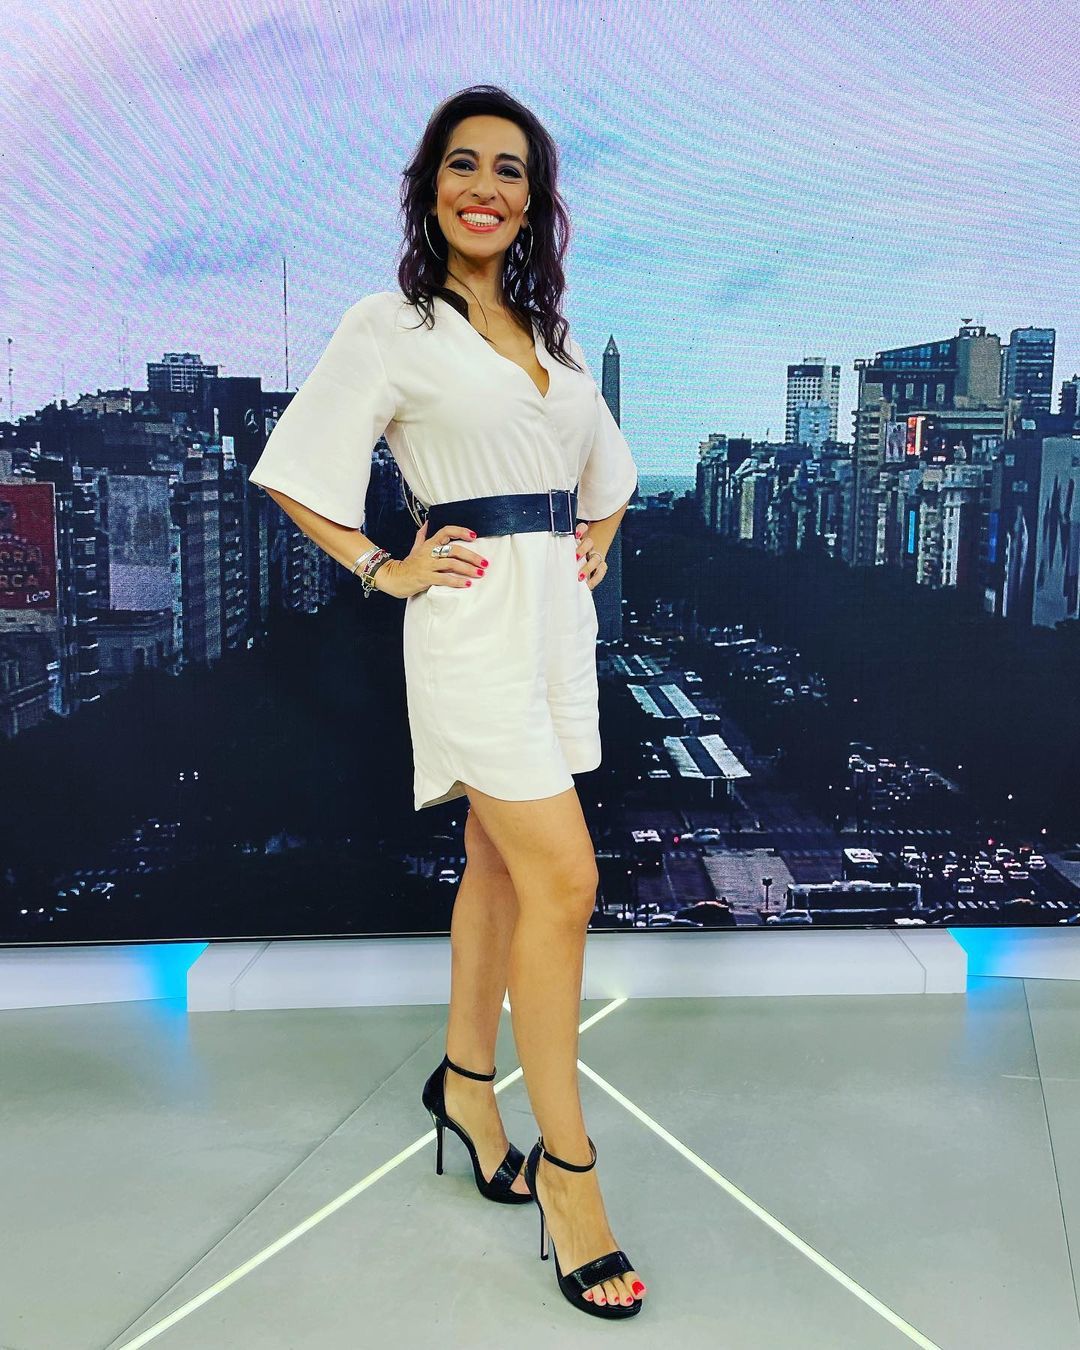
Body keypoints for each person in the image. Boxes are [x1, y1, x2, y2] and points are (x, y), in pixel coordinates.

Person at [247, 85, 645, 1319]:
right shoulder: (390, 325)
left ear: (534, 202)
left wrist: (597, 529)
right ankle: (571, 1176)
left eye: (510, 170)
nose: (486, 186)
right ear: (430, 187)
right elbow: (295, 471)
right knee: (566, 881)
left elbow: (605, 467)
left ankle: (466, 1087)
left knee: (498, 865)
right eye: (463, 164)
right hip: (470, 630)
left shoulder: (551, 337)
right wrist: (386, 565)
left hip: (553, 631)